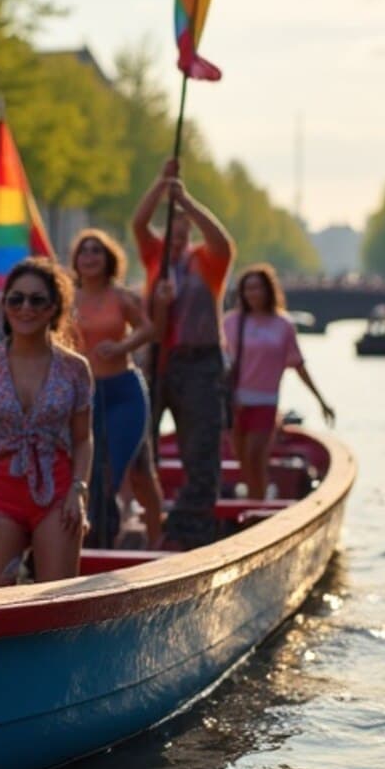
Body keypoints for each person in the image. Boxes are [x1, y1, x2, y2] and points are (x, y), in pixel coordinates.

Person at [0, 259, 94, 589]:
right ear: (4, 306)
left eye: (37, 300)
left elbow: (82, 439)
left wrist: (78, 491)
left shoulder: (75, 369)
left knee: (58, 600)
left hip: (58, 495)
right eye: (16, 299)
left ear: (53, 308)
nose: (25, 308)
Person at [132, 158, 235, 550]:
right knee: (141, 446)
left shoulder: (207, 262)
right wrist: (160, 186)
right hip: (156, 360)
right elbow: (139, 223)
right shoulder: (155, 258)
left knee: (200, 448)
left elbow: (223, 240)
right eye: (170, 230)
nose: (175, 238)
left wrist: (186, 200)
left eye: (183, 232)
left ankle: (188, 529)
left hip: (199, 363)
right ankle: (144, 518)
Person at [69, 229, 159, 547]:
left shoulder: (120, 297)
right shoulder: (66, 298)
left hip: (124, 393)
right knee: (87, 472)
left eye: (97, 251)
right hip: (83, 397)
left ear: (108, 260)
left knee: (115, 470)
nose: (90, 257)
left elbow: (148, 329)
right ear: (76, 261)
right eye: (84, 251)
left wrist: (123, 347)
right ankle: (93, 539)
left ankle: (148, 539)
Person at [221, 265, 334, 499]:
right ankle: (254, 499)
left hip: (265, 402)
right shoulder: (231, 322)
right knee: (243, 461)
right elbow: (219, 361)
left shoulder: (282, 325)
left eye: (258, 288)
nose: (253, 293)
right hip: (235, 402)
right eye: (248, 288)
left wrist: (321, 401)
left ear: (268, 290)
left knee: (255, 457)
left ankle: (256, 508)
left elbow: (298, 365)